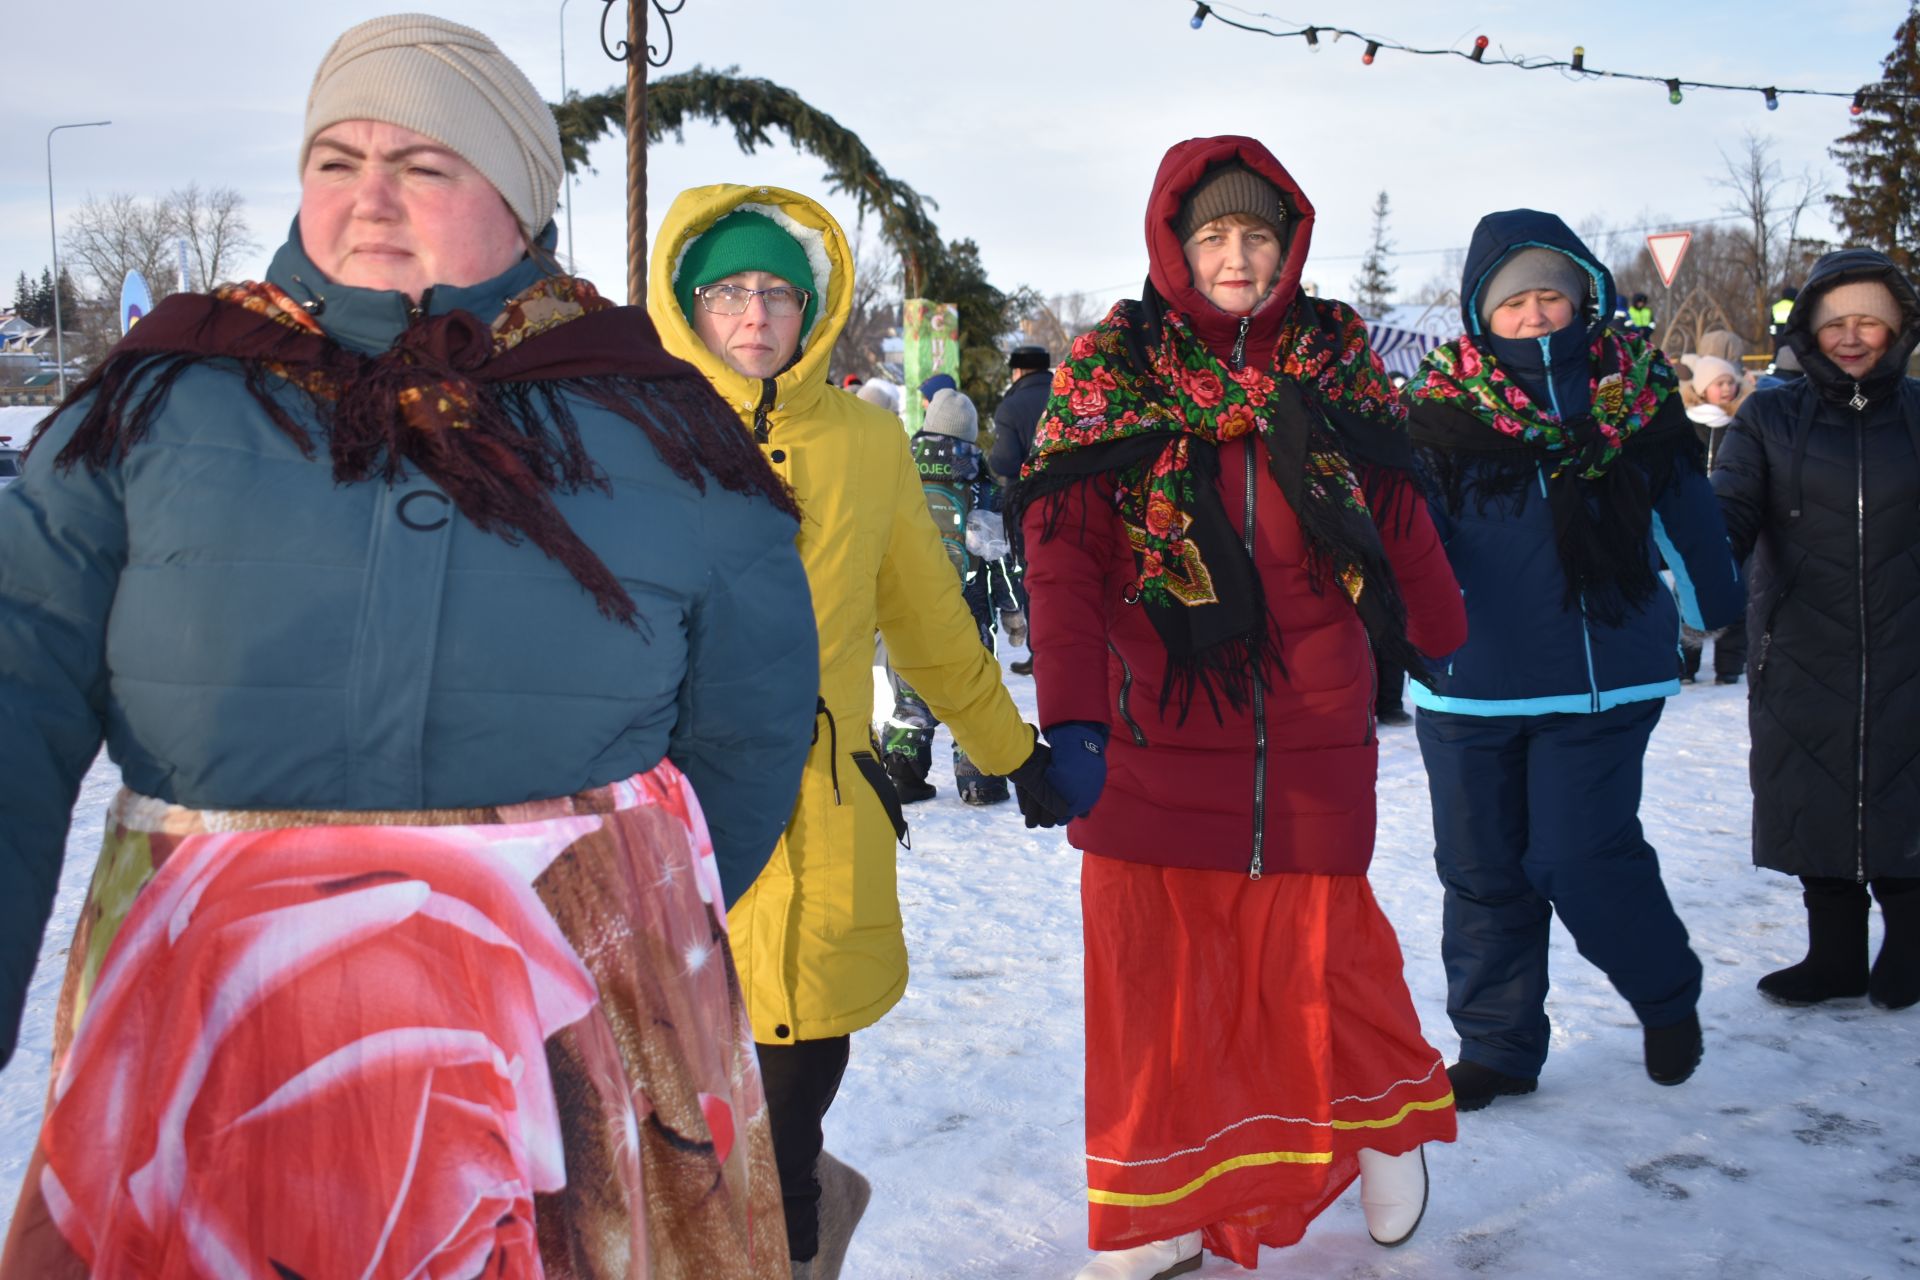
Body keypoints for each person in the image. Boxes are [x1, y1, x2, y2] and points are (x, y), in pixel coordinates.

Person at [0, 16, 816, 1277]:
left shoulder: (657, 420)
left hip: (557, 1053)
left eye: (424, 164)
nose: (369, 196)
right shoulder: (159, 400)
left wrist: (606, 907)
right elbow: (15, 678)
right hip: (209, 1046)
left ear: (519, 201)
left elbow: (749, 730)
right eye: (335, 159)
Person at [1016, 136, 1468, 1279]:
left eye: (1256, 234)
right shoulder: (1112, 365)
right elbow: (1063, 558)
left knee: (1328, 953)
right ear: (1175, 244)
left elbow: (1397, 500)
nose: (1235, 253)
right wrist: (1069, 713)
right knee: (1153, 983)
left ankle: (1381, 1130)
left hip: (1316, 715)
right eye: (1212, 233)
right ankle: (1159, 1212)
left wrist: (1440, 621)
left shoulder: (1333, 356)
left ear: (1289, 244)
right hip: (1159, 715)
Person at [648, 182, 1087, 1280]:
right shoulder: (639, 431)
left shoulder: (864, 441)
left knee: (788, 1099)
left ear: (813, 309)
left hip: (818, 813)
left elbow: (930, 622)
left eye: (778, 293)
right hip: (671, 820)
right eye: (728, 292)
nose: (754, 314)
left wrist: (1012, 750)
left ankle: (800, 1220)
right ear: (687, 305)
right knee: (691, 1110)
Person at [1404, 210, 1745, 1113]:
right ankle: (1500, 1047)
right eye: (1516, 301)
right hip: (1468, 681)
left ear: (1585, 297)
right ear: (1483, 314)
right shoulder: (1436, 413)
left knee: (1578, 858)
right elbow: (1406, 540)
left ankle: (1666, 994)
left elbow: (1689, 512)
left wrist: (1715, 610)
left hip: (1603, 677)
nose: (1538, 314)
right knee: (1483, 874)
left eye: (1554, 293)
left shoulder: (1632, 398)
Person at [1712, 249, 1920, 1013]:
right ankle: (1833, 956)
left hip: (1909, 641)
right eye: (1835, 322)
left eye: (1870, 319)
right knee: (1815, 790)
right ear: (1808, 329)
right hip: (1801, 642)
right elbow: (1728, 513)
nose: (1853, 336)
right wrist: (1694, 564)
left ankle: (1910, 941)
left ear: (1898, 326)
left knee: (1907, 789)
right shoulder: (1769, 416)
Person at [880, 386, 1011, 806]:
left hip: (907, 612)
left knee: (910, 697)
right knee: (972, 698)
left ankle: (902, 776)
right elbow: (1001, 561)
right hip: (967, 615)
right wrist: (1012, 610)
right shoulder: (982, 491)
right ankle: (979, 784)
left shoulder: (896, 475)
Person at [1678, 354, 1749, 684]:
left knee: (1736, 590)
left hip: (1733, 519)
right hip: (1694, 519)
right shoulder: (1685, 424)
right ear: (1703, 388)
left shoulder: (1743, 424)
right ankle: (1685, 664)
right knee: (1691, 590)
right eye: (1719, 383)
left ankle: (1730, 666)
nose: (1727, 388)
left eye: (1730, 382)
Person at [989, 344, 1051, 674]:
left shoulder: (1011, 407)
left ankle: (1039, 652)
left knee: (1033, 576)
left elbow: (1005, 461)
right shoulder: (1066, 394)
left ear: (1018, 372)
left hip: (1028, 504)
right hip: (1074, 500)